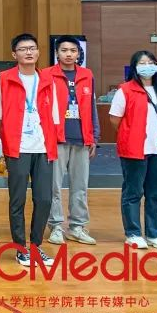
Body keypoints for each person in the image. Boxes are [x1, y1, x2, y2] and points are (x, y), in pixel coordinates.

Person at [0, 33, 61, 267]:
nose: (28, 52)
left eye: (32, 48)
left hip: (43, 148)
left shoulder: (48, 79)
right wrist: (9, 140)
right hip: (17, 148)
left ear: (38, 52)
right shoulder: (3, 79)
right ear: (14, 54)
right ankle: (21, 248)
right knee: (18, 200)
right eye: (23, 49)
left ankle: (36, 245)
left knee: (44, 198)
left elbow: (54, 117)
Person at [109, 51, 157, 250]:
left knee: (155, 194)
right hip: (135, 150)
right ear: (135, 68)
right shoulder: (125, 90)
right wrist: (131, 135)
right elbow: (115, 119)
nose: (147, 66)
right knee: (133, 192)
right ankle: (133, 233)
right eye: (142, 63)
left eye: (151, 62)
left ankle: (154, 234)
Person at [45, 36, 100, 246]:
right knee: (54, 186)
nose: (69, 54)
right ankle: (56, 226)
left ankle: (77, 226)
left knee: (80, 186)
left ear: (79, 54)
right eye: (64, 50)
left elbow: (92, 107)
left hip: (82, 138)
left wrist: (94, 136)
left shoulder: (87, 75)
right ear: (57, 53)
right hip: (56, 139)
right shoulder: (47, 75)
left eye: (73, 51)